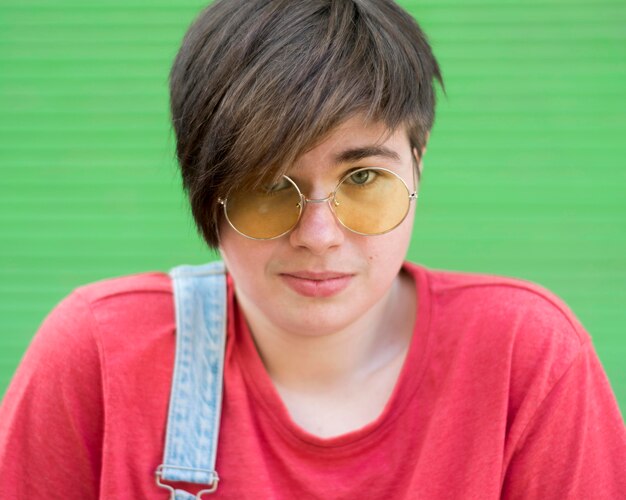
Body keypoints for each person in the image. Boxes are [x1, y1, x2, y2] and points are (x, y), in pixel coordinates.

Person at [1, 0, 625, 498]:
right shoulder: (100, 355)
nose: (319, 235)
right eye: (270, 186)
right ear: (203, 185)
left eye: (362, 179)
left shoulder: (527, 360)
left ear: (418, 165)